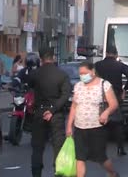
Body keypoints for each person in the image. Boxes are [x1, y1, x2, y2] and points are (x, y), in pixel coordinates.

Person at [66, 61, 120, 177]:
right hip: (80, 128)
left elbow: (114, 104)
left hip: (97, 127)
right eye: (80, 74)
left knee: (100, 157)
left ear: (93, 72)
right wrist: (69, 125)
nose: (82, 76)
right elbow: (74, 106)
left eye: (85, 73)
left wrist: (106, 112)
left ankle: (112, 173)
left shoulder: (104, 85)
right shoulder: (78, 86)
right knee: (79, 158)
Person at [28, 47, 71, 177]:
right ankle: (58, 172)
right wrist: (52, 110)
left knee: (37, 147)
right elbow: (65, 95)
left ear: (40, 59)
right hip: (56, 113)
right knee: (58, 146)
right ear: (53, 57)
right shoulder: (62, 74)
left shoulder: (35, 74)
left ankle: (36, 173)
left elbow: (29, 85)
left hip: (39, 112)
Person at [95, 46, 128, 156]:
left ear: (106, 53)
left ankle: (98, 147)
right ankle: (120, 148)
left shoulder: (98, 65)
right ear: (116, 54)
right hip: (116, 97)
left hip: (101, 96)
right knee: (118, 123)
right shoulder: (120, 65)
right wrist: (125, 89)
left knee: (100, 122)